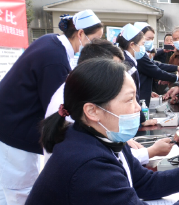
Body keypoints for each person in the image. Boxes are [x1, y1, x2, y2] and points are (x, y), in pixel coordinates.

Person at [22, 58, 179, 205]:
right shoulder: (88, 165)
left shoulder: (102, 139)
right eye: (129, 100)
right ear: (92, 111)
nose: (138, 109)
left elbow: (144, 183)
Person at [0, 9, 103, 205]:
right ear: (80, 34)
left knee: (7, 192)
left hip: (9, 122)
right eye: (95, 40)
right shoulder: (54, 59)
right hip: (14, 130)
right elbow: (59, 109)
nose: (96, 46)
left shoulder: (51, 42)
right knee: (20, 193)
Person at [44, 39, 172, 166]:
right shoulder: (76, 101)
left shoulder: (79, 90)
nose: (119, 76)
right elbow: (103, 159)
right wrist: (151, 151)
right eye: (113, 70)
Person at [116, 23, 157, 126]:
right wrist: (142, 120)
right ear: (132, 45)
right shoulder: (129, 66)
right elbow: (133, 97)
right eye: (142, 44)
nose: (143, 47)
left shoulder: (125, 60)